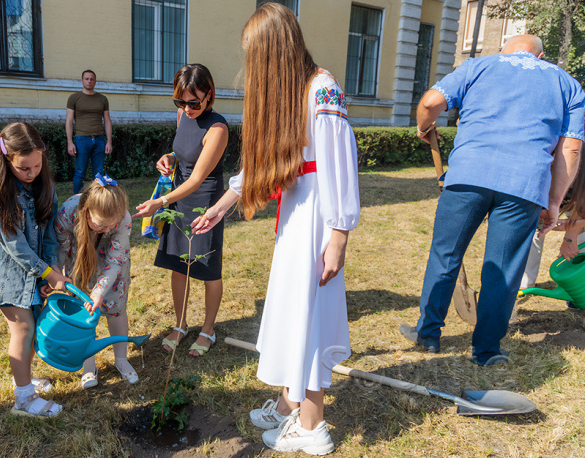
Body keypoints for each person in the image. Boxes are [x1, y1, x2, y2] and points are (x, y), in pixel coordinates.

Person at [192, 4, 360, 454]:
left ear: (274, 51)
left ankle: (312, 426)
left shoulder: (321, 88)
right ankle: (290, 405)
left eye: (254, 54)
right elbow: (263, 165)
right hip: (297, 213)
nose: (250, 66)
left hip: (317, 217)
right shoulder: (291, 92)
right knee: (292, 311)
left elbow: (340, 162)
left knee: (309, 316)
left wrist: (339, 233)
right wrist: (222, 207)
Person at [399, 34, 585, 366]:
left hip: (468, 175)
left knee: (446, 254)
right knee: (504, 268)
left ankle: (428, 334)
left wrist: (423, 126)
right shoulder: (566, 83)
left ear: (505, 52)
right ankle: (486, 352)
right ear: (540, 57)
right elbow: (570, 149)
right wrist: (554, 201)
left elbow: (430, 103)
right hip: (525, 185)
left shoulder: (477, 66)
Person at [0, 122, 70, 418]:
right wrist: (48, 273)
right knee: (23, 328)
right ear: (6, 160)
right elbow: (16, 246)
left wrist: (49, 269)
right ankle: (24, 399)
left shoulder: (44, 188)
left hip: (31, 272)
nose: (32, 173)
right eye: (24, 168)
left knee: (30, 325)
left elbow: (50, 233)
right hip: (5, 275)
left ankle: (24, 378)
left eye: (37, 165)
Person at [132, 64, 229, 358]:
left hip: (205, 204)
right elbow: (184, 152)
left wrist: (160, 202)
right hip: (179, 199)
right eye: (180, 102)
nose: (187, 109)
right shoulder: (182, 115)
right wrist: (169, 156)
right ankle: (181, 325)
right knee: (179, 264)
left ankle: (208, 329)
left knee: (208, 269)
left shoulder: (218, 128)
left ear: (209, 95)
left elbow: (199, 177)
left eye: (194, 102)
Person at [54, 175, 138, 388]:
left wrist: (100, 291)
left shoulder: (123, 218)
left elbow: (115, 259)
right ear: (86, 212)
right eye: (101, 225)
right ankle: (88, 366)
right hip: (79, 262)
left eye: (112, 226)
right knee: (83, 314)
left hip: (112, 266)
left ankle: (121, 359)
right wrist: (57, 274)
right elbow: (60, 248)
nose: (108, 230)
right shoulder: (67, 213)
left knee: (116, 309)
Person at [66, 69, 113, 195]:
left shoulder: (102, 99)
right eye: (86, 79)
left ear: (95, 81)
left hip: (99, 139)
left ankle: (97, 199)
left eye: (92, 79)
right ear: (82, 81)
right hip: (82, 139)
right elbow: (69, 121)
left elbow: (107, 121)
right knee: (80, 172)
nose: (89, 81)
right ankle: (77, 200)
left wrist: (109, 142)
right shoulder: (74, 98)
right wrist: (70, 142)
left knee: (99, 173)